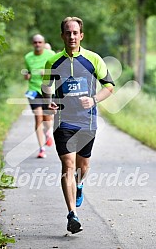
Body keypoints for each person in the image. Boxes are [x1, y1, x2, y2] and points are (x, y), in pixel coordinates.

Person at [42, 17, 115, 233]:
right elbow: (46, 86)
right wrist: (49, 100)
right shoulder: (52, 62)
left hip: (87, 121)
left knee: (82, 167)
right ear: (62, 35)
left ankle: (80, 184)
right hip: (63, 121)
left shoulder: (93, 59)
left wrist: (93, 99)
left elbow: (109, 86)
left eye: (75, 33)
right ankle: (72, 214)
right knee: (68, 165)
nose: (72, 36)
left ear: (81, 35)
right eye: (68, 33)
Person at [24, 34, 55, 158]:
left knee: (47, 119)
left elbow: (58, 70)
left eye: (40, 42)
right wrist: (27, 75)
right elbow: (27, 71)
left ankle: (48, 133)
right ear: (33, 44)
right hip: (33, 90)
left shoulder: (50, 55)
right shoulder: (28, 57)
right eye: (35, 42)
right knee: (38, 118)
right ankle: (42, 149)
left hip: (47, 90)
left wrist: (47, 72)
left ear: (43, 43)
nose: (37, 44)